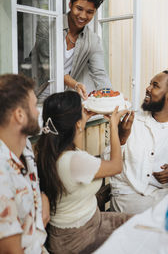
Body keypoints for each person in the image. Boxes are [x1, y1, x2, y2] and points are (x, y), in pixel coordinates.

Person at [36, 91, 133, 254]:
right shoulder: (75, 161)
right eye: (82, 110)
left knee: (138, 224)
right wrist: (114, 127)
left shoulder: (49, 151)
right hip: (77, 237)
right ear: (76, 124)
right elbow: (116, 166)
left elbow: (77, 149)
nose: (85, 111)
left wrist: (82, 120)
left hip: (87, 222)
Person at [107, 70, 168, 215]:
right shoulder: (132, 120)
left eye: (155, 85)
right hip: (131, 195)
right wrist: (121, 138)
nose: (148, 88)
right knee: (160, 222)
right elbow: (107, 162)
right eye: (149, 84)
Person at [27, 0, 111, 101]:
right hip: (32, 94)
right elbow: (50, 66)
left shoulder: (93, 40)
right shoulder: (47, 25)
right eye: (79, 8)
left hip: (60, 100)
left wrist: (112, 99)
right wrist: (75, 84)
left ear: (95, 12)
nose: (83, 16)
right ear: (70, 4)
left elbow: (100, 74)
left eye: (89, 12)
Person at [0, 73, 49, 254]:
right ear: (19, 115)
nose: (37, 112)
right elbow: (11, 251)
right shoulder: (1, 173)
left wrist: (41, 198)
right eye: (34, 106)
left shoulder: (25, 146)